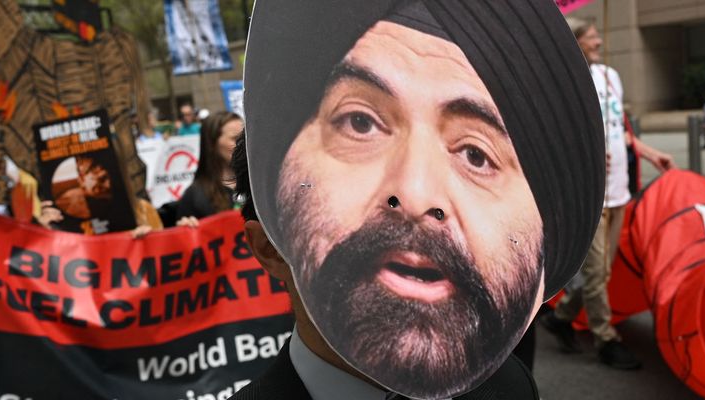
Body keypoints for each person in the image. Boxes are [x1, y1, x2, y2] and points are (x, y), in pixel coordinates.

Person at [237, 0, 606, 397]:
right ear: (268, 248)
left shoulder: (510, 387)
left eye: (475, 155)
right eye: (361, 123)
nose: (414, 194)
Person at [540, 17, 676, 371]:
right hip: (589, 196)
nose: (599, 41)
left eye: (599, 35)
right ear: (575, 43)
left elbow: (620, 130)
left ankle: (561, 316)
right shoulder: (563, 83)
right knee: (598, 273)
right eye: (591, 37)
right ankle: (606, 339)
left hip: (619, 190)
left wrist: (648, 152)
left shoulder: (609, 76)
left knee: (604, 272)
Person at [176, 111, 243, 225]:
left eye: (246, 137)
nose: (244, 144)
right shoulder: (195, 196)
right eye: (236, 139)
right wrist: (187, 229)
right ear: (212, 144)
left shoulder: (262, 184)